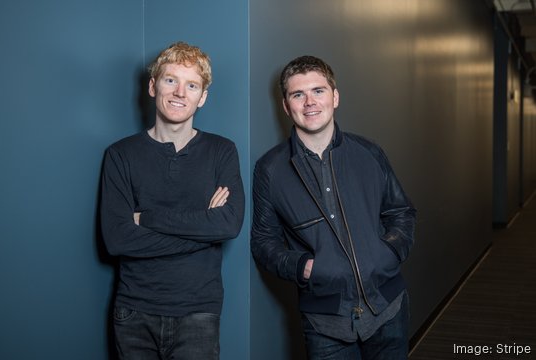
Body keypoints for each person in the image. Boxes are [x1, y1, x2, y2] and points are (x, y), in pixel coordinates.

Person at [251, 55, 416, 360]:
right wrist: (305, 267)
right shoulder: (270, 169)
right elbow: (264, 243)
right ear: (286, 106)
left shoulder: (369, 152)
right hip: (325, 322)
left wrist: (387, 254)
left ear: (335, 97)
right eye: (298, 94)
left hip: (389, 309)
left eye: (318, 91)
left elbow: (401, 213)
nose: (309, 102)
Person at [100, 41, 244, 360]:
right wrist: (203, 230)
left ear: (202, 97)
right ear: (153, 87)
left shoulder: (222, 151)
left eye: (191, 85)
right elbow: (118, 239)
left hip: (199, 313)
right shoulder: (120, 155)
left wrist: (147, 218)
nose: (180, 92)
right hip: (134, 312)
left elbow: (229, 224)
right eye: (170, 80)